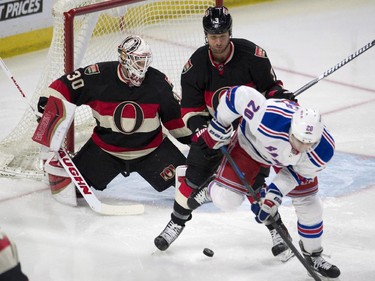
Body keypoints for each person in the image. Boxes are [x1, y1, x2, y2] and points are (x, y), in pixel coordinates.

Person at [154, 6, 297, 261]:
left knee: (254, 185)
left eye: (222, 35)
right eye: (212, 36)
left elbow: (269, 89)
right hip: (213, 130)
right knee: (191, 183)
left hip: (249, 135)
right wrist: (203, 131)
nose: (218, 41)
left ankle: (277, 230)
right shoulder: (195, 66)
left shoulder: (253, 55)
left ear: (230, 33)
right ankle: (176, 222)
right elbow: (189, 109)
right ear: (205, 35)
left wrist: (281, 96)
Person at [197, 85, 341, 278]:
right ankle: (214, 186)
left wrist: (274, 194)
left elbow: (295, 175)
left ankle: (313, 254)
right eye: (298, 140)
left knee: (310, 205)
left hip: (289, 164)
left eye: (309, 144)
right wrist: (220, 124)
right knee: (226, 199)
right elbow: (236, 95)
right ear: (291, 127)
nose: (301, 147)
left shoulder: (323, 150)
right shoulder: (270, 117)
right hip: (251, 146)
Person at [37, 35, 192, 203]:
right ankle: (50, 159)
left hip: (152, 151)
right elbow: (65, 86)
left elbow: (175, 121)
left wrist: (201, 141)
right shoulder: (98, 77)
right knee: (69, 190)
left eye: (146, 61)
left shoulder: (158, 83)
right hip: (106, 151)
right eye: (139, 61)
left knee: (193, 185)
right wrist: (48, 103)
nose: (144, 67)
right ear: (125, 59)